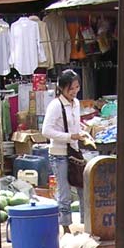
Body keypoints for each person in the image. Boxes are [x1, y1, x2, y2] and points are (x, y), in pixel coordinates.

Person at [42, 69, 85, 232]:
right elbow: (46, 131)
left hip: (74, 152)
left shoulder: (76, 103)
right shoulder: (55, 105)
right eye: (71, 88)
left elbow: (76, 124)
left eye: (77, 87)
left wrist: (81, 133)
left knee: (82, 189)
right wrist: (69, 136)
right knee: (64, 192)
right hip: (59, 154)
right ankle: (66, 227)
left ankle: (84, 223)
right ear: (61, 88)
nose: (74, 91)